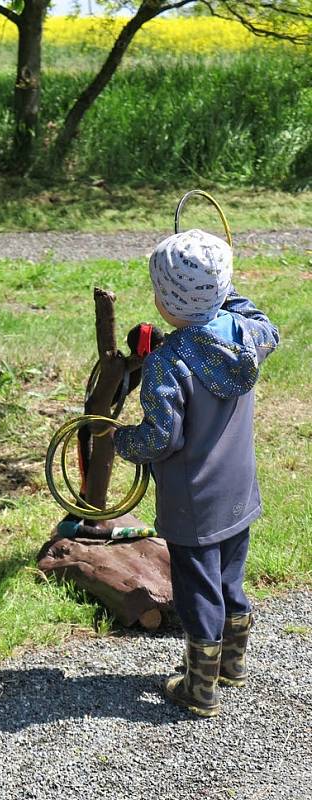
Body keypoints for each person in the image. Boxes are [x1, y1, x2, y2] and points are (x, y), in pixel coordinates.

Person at [113, 228, 279, 718]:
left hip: (192, 502)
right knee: (230, 577)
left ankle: (200, 689)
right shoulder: (248, 335)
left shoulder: (167, 362)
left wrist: (121, 440)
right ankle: (234, 664)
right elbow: (259, 317)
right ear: (223, 290)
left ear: (166, 303)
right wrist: (226, 289)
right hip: (238, 491)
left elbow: (162, 439)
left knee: (198, 587)